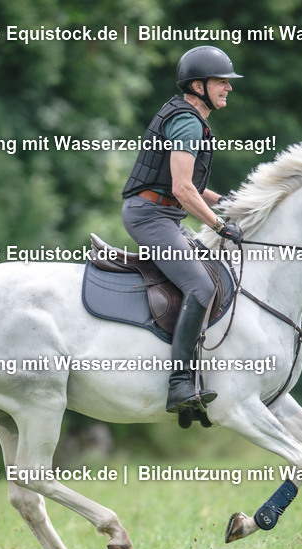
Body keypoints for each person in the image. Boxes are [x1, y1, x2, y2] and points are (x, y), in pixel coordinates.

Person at [121, 45, 244, 414]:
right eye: (222, 81)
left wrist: (225, 202)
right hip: (151, 217)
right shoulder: (188, 121)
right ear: (198, 85)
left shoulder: (188, 117)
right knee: (202, 286)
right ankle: (179, 383)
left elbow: (186, 183)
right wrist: (219, 225)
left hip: (161, 214)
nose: (228, 88)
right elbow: (181, 188)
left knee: (208, 275)